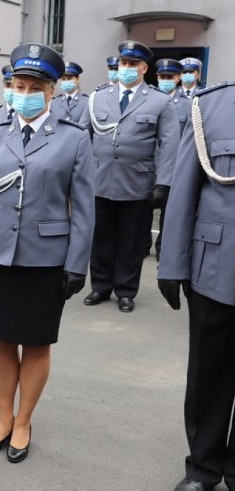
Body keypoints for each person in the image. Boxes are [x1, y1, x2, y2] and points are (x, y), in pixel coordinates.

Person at [0, 43, 94, 464]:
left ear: (51, 92)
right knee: (1, 340)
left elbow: (85, 209)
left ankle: (24, 422)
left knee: (35, 344)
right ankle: (3, 417)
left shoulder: (73, 139)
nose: (24, 92)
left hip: (46, 258)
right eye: (18, 85)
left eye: (34, 86)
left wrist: (76, 265)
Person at [158, 81, 235, 491]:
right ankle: (203, 468)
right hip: (217, 270)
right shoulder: (210, 107)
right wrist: (172, 264)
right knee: (208, 376)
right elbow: (183, 191)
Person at [79, 40, 179, 313]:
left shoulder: (159, 100)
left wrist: (164, 183)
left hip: (138, 183)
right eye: (123, 63)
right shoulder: (99, 97)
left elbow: (170, 144)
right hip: (99, 181)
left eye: (132, 64)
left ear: (144, 68)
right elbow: (81, 137)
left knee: (131, 240)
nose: (126, 68)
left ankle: (125, 290)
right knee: (100, 236)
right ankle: (100, 286)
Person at [152, 58, 190, 260]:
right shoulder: (148, 99)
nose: (165, 80)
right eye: (162, 77)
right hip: (149, 166)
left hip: (175, 167)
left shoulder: (187, 105)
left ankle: (163, 249)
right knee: (143, 212)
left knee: (169, 214)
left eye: (169, 77)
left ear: (177, 78)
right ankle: (141, 247)